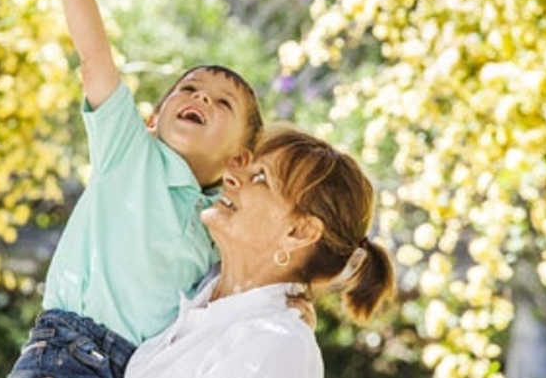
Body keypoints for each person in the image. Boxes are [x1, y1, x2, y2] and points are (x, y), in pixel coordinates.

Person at [7, 0, 266, 378]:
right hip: (68, 352)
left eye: (222, 104)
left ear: (239, 158)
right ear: (151, 119)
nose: (201, 98)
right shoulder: (130, 152)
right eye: (189, 90)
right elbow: (95, 62)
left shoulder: (220, 224)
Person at [125, 124, 395, 378]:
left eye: (260, 178)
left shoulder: (278, 344)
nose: (230, 176)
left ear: (300, 232)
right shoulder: (203, 291)